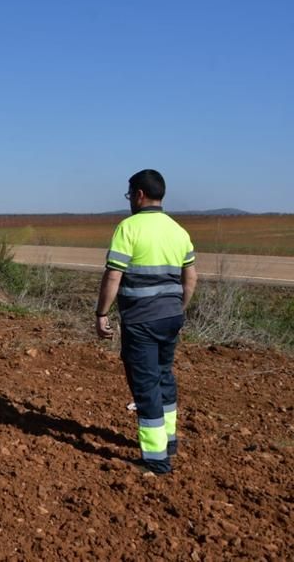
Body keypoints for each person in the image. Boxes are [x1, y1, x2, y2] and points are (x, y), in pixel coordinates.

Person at [95, 169, 197, 475]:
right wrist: (179, 308)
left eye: (130, 195)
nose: (129, 201)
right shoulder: (179, 230)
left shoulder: (129, 228)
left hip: (141, 321)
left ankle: (156, 460)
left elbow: (114, 274)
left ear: (139, 194)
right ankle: (170, 440)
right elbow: (190, 277)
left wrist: (101, 314)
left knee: (146, 386)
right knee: (164, 376)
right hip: (171, 318)